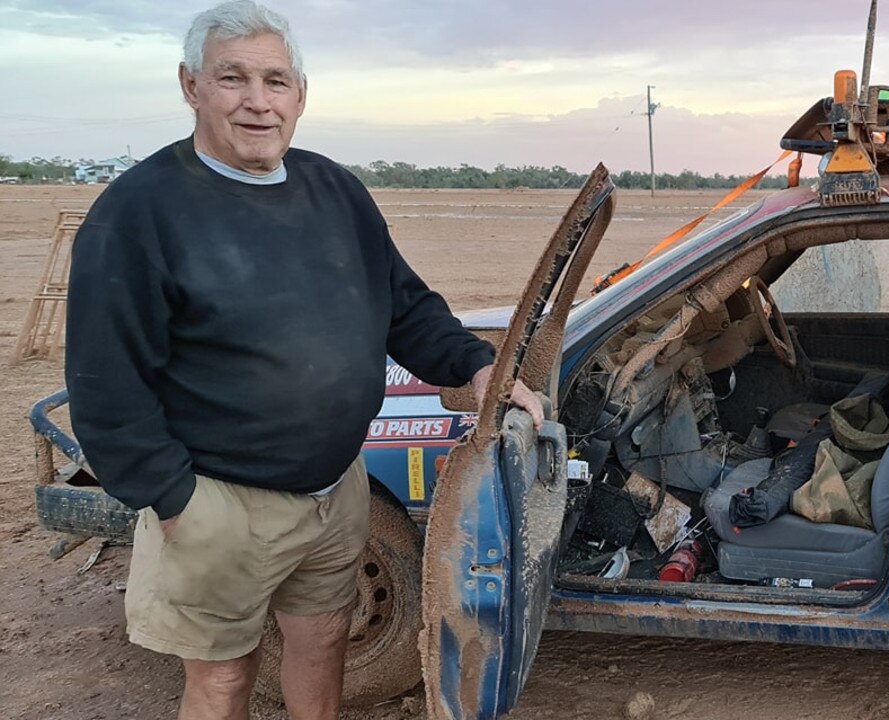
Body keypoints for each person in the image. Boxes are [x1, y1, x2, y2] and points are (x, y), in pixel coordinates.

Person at [63, 2, 542, 718]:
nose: (258, 102)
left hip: (334, 491)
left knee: (322, 648)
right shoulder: (139, 212)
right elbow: (105, 383)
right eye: (234, 79)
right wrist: (173, 500)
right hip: (215, 499)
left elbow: (404, 307)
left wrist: (475, 367)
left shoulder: (334, 192)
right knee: (224, 679)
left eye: (276, 81)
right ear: (192, 85)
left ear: (301, 95)